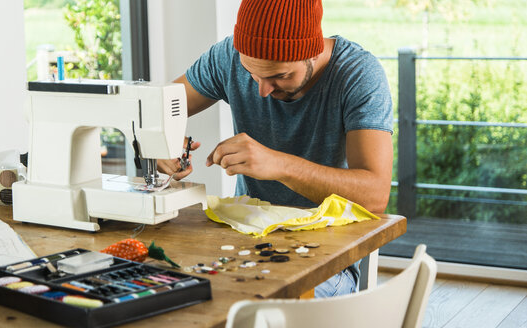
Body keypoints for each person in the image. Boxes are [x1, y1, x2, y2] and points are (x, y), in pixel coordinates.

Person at [158, 0, 393, 297]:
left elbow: (375, 195)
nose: (262, 90)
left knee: (255, 311)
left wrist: (279, 165)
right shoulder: (227, 57)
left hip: (326, 258)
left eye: (280, 76)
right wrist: (160, 140)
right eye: (252, 73)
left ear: (314, 50)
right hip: (243, 242)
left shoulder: (358, 74)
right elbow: (159, 110)